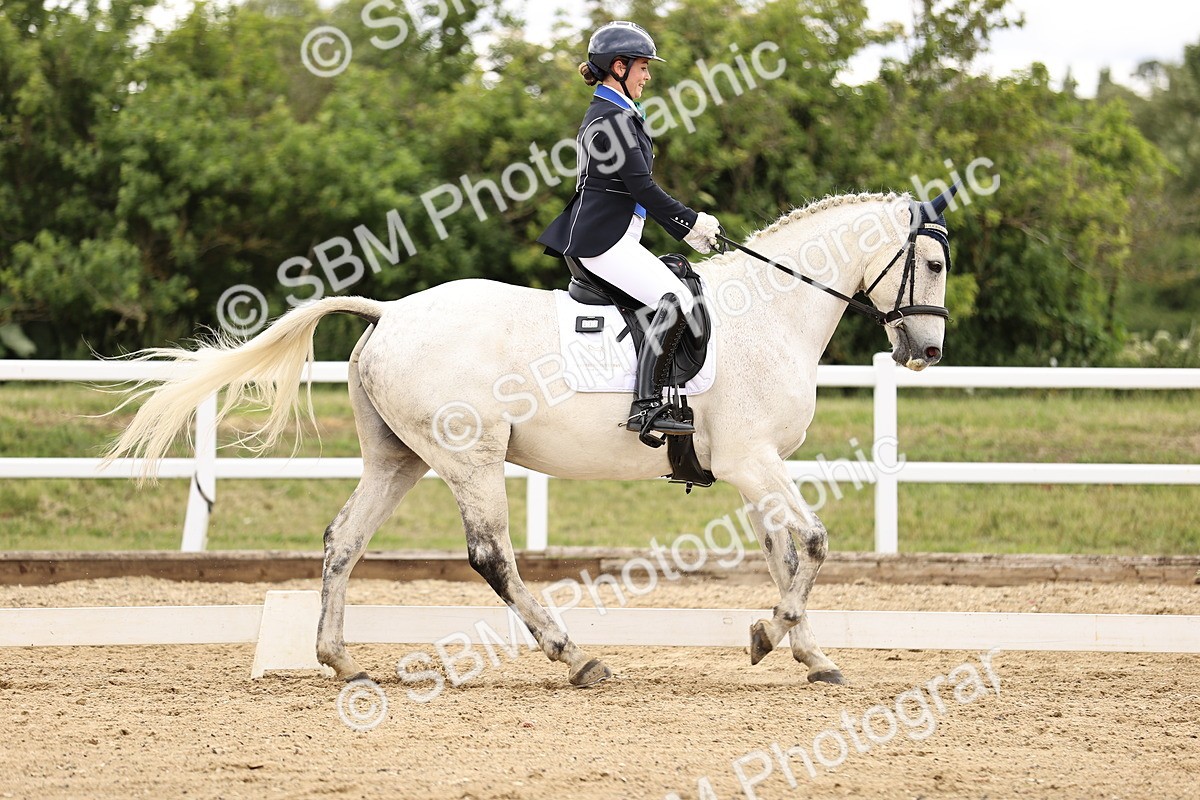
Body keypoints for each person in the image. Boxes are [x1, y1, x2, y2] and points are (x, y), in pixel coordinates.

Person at [538, 20, 722, 440]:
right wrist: (692, 224)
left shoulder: (613, 114)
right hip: (603, 242)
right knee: (673, 300)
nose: (648, 75)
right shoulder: (613, 120)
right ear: (618, 67)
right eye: (642, 66)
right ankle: (646, 406)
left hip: (611, 236)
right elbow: (642, 187)